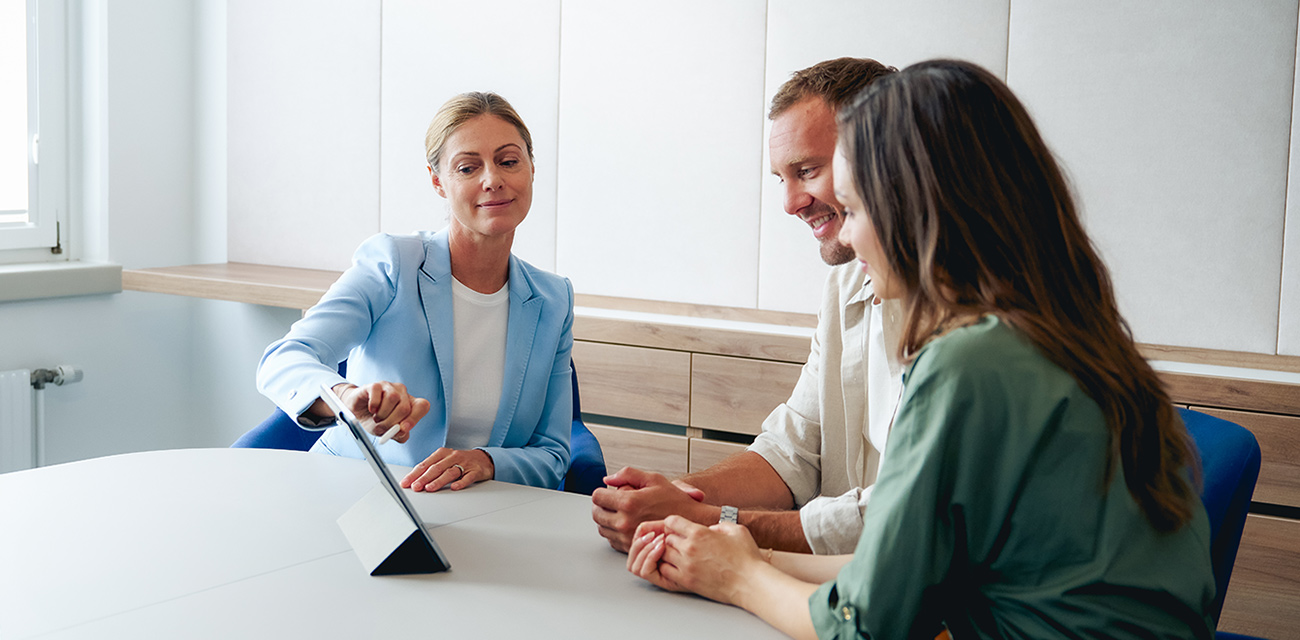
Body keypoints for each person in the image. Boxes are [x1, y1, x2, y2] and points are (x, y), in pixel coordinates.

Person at [627, 59, 1215, 639]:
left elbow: (867, 623)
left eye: (854, 207)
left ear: (915, 205)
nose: (849, 233)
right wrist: (738, 556)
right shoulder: (1065, 330)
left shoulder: (971, 361)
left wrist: (740, 577)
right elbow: (918, 572)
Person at [592, 57, 903, 555]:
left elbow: (903, 517)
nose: (790, 203)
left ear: (882, 159)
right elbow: (793, 449)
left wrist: (712, 520)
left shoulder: (972, 320)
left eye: (807, 171)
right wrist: (675, 498)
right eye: (783, 178)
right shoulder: (845, 282)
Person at [257, 92, 574, 492]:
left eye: (508, 161)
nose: (492, 179)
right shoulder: (392, 263)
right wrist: (348, 399)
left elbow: (554, 454)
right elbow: (283, 360)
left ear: (530, 169)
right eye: (467, 167)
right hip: (360, 496)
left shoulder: (553, 299)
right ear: (438, 181)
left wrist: (485, 461)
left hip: (481, 511)